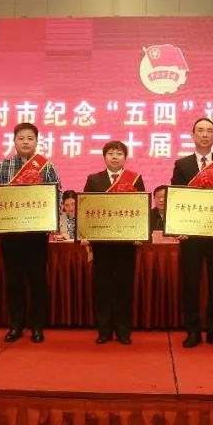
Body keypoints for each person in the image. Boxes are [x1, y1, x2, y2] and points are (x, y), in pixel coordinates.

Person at [0, 122, 62, 344]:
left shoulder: (46, 167)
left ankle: (37, 326)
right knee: (14, 281)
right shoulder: (2, 166)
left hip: (36, 234)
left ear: (36, 141)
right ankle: (16, 325)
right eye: (21, 138)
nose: (25, 142)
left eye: (30, 138)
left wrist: (52, 222)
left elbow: (57, 195)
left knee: (38, 280)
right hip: (11, 234)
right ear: (14, 141)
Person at [171, 117, 213, 349]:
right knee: (191, 284)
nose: (204, 134)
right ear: (192, 135)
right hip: (190, 235)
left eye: (209, 131)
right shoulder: (182, 164)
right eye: (200, 130)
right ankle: (192, 331)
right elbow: (176, 197)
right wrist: (178, 228)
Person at [82, 140, 145, 345]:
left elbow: (140, 209)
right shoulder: (94, 180)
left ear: (125, 157)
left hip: (126, 244)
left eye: (119, 153)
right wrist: (85, 233)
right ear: (104, 157)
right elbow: (86, 209)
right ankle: (104, 330)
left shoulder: (135, 179)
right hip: (102, 243)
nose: (115, 157)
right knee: (103, 286)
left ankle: (123, 331)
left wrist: (140, 234)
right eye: (110, 153)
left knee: (124, 287)